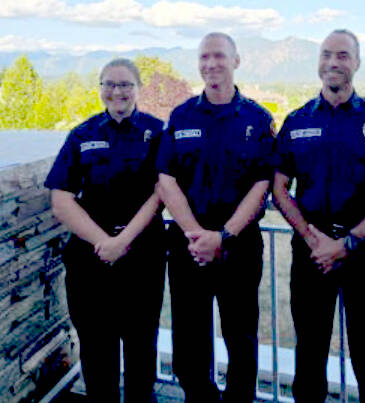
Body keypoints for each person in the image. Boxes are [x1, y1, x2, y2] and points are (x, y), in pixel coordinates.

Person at [272, 29, 365, 403]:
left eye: (343, 55)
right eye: (327, 54)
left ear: (357, 63)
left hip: (364, 255)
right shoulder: (296, 121)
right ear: (318, 62)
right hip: (311, 253)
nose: (333, 62)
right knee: (310, 349)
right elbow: (280, 188)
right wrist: (312, 237)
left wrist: (348, 243)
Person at [155, 32, 275, 403]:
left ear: (236, 61)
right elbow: (166, 179)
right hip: (187, 246)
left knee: (241, 335)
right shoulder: (181, 115)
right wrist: (197, 236)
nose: (211, 64)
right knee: (189, 337)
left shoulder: (258, 118)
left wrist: (223, 237)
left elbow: (262, 184)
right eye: (204, 57)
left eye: (219, 56)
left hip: (238, 246)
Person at [45, 58, 166, 402]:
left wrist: (123, 240)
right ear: (100, 89)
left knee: (142, 345)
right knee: (97, 348)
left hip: (143, 256)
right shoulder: (81, 135)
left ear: (138, 88)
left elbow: (162, 192)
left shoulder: (158, 133)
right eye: (109, 84)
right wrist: (104, 242)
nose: (117, 91)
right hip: (90, 259)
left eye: (125, 84)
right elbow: (61, 199)